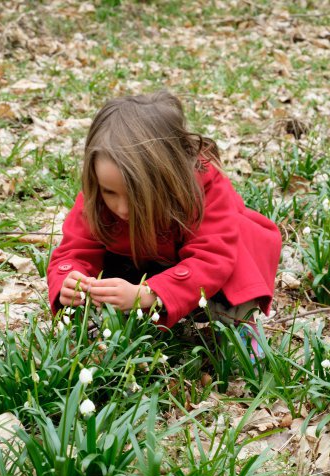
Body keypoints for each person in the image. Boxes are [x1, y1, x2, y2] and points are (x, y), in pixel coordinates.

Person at [47, 91, 282, 349]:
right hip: (142, 265)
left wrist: (148, 294)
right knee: (100, 283)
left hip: (207, 277)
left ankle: (242, 328)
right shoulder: (96, 198)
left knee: (240, 256)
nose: (122, 208)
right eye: (109, 192)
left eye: (136, 195)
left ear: (170, 177)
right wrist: (70, 282)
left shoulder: (203, 189)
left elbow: (212, 259)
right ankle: (107, 325)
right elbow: (74, 250)